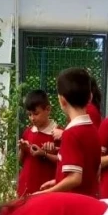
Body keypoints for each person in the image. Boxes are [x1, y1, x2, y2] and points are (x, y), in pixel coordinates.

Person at [40, 68, 101, 197]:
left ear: (62, 100)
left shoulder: (71, 134)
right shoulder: (92, 130)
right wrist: (58, 182)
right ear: (90, 97)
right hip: (89, 199)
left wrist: (45, 194)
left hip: (73, 204)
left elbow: (75, 178)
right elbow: (90, 172)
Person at [17, 90, 60, 197]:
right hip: (26, 186)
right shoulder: (28, 132)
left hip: (46, 188)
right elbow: (20, 161)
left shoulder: (58, 133)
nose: (32, 118)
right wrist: (23, 149)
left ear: (48, 109)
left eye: (36, 114)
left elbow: (63, 161)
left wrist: (46, 154)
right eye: (29, 114)